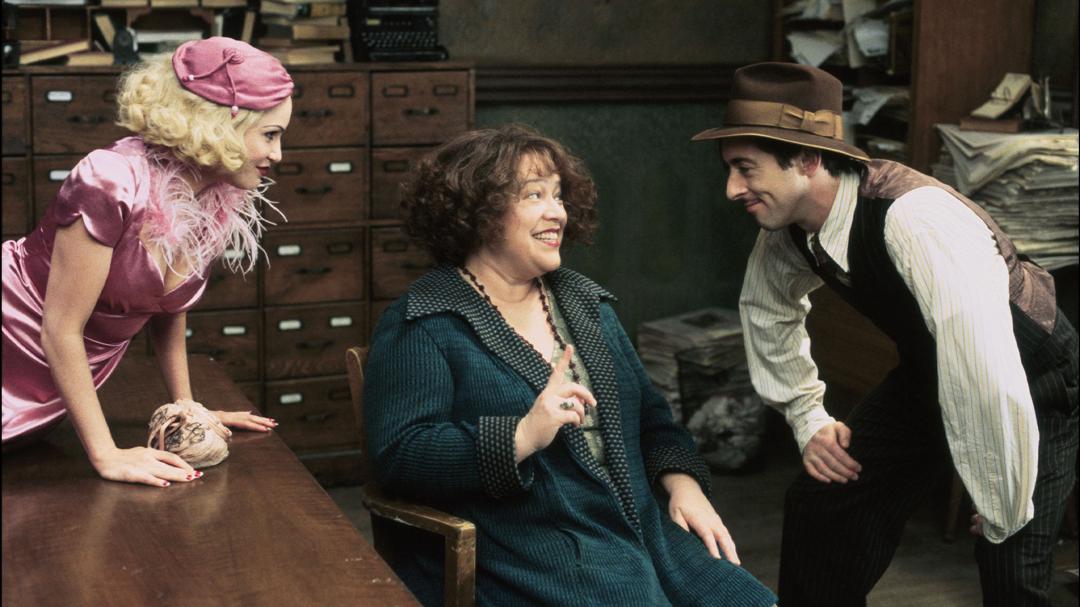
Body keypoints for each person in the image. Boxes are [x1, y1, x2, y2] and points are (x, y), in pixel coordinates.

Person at [692, 61, 1078, 606]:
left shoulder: (915, 219)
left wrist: (999, 496)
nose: (733, 188)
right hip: (930, 374)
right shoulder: (788, 229)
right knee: (822, 503)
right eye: (730, 169)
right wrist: (808, 418)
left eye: (745, 169)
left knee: (1011, 565)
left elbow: (987, 370)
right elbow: (766, 309)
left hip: (1032, 381)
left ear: (806, 159)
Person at [363, 124, 777, 606]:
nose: (557, 211)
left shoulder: (584, 303)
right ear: (477, 211)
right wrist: (521, 436)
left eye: (558, 195)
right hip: (535, 550)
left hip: (644, 531)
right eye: (534, 195)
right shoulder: (427, 319)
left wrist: (685, 487)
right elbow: (400, 457)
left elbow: (653, 420)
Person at [2, 37, 293, 487]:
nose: (278, 154)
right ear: (219, 125)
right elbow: (60, 328)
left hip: (52, 385)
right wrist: (107, 454)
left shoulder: (216, 195)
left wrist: (188, 409)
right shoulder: (110, 179)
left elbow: (167, 309)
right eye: (270, 135)